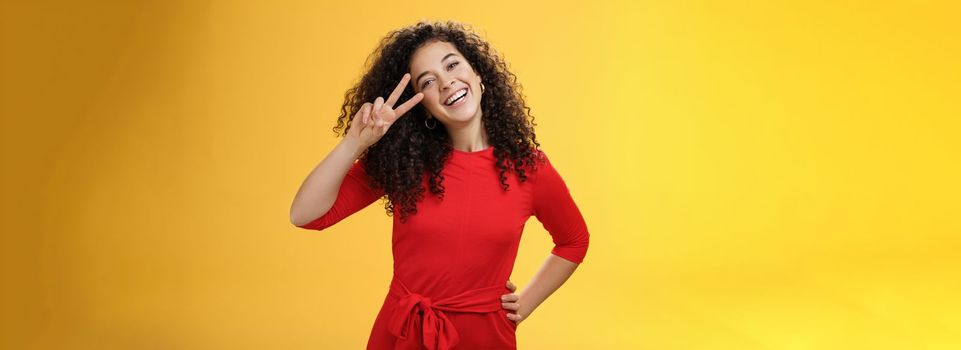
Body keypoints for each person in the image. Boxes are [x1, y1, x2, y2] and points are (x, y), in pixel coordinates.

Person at [290, 21, 590, 349]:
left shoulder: (529, 167)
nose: (446, 83)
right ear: (423, 105)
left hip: (485, 337)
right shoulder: (405, 162)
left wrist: (526, 302)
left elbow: (573, 240)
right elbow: (306, 215)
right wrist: (354, 144)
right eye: (428, 81)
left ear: (477, 74)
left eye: (452, 65)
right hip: (403, 333)